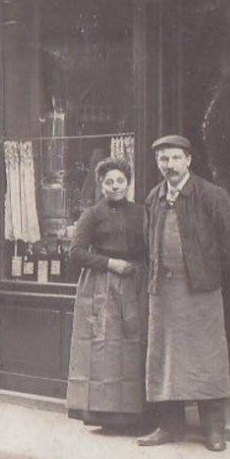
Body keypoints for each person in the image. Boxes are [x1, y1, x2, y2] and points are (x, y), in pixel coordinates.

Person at [139, 135, 230, 452]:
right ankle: (170, 427)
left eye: (174, 158)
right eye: (163, 160)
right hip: (163, 291)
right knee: (165, 357)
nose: (168, 166)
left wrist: (206, 271)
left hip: (200, 290)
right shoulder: (153, 198)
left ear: (188, 160)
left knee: (207, 357)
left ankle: (214, 431)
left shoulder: (212, 195)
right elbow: (148, 241)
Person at [66, 156, 151, 434]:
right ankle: (107, 416)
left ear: (129, 182)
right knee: (105, 348)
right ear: (101, 185)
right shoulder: (92, 214)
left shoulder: (141, 212)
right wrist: (109, 263)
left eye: (120, 181)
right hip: (101, 287)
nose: (115, 187)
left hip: (135, 284)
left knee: (133, 345)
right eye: (109, 182)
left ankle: (136, 418)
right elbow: (76, 252)